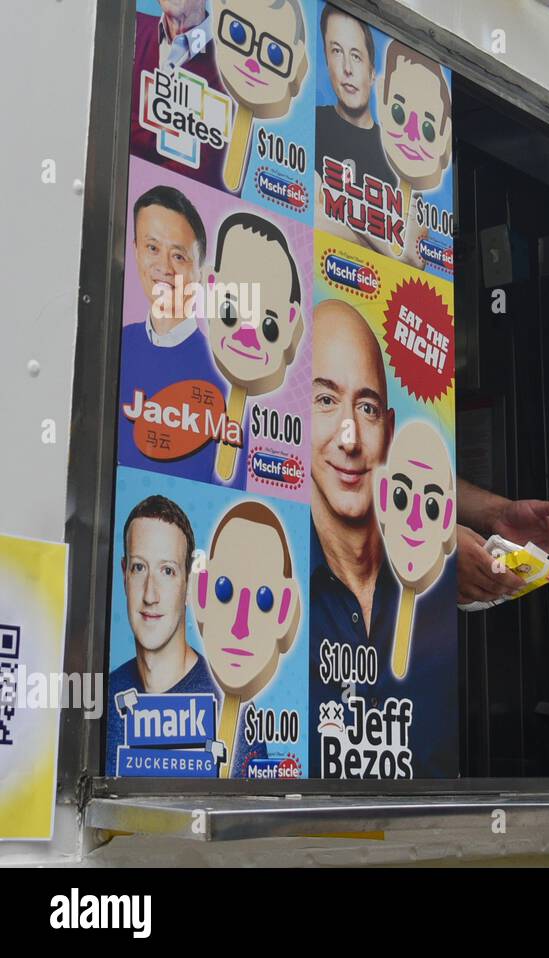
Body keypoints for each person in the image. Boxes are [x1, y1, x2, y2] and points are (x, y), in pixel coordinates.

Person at [308, 300, 549, 775]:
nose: (349, 436)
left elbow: (409, 478)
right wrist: (439, 542)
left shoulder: (412, 570)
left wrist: (493, 513)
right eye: (324, 401)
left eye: (368, 407)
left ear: (389, 429)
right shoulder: (276, 564)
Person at [106, 495, 265, 777]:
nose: (150, 594)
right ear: (124, 575)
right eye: (139, 567)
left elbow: (248, 818)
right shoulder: (104, 697)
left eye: (167, 571)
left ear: (190, 586)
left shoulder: (232, 709)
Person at [117, 185, 223, 481]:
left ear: (200, 271)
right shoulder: (116, 346)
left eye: (178, 256)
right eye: (152, 248)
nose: (163, 267)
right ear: (136, 250)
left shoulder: (224, 375)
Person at [313, 5, 425, 265]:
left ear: (372, 73)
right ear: (327, 61)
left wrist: (334, 207)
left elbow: (413, 253)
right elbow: (304, 213)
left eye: (356, 56)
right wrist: (378, 234)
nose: (347, 68)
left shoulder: (399, 152)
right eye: (336, 52)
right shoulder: (312, 125)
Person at [130, 0, 228, 190]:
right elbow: (100, 118)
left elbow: (206, 174)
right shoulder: (130, 27)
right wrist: (170, 141)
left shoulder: (233, 73)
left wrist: (133, 128)